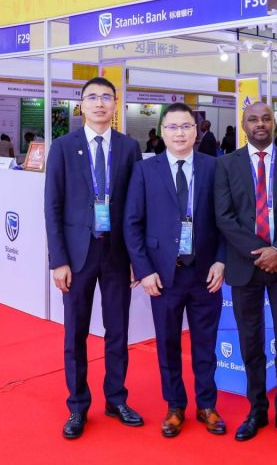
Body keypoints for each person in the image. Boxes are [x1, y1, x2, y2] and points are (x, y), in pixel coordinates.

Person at [44, 76, 144, 440]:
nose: (99, 103)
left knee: (118, 330)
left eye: (106, 97)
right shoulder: (63, 147)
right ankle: (77, 405)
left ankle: (116, 399)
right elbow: (52, 206)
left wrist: (137, 259)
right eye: (92, 97)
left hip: (117, 253)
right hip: (77, 255)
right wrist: (58, 260)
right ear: (81, 105)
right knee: (76, 333)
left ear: (116, 104)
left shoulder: (129, 147)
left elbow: (137, 207)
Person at [125, 103, 226, 438]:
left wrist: (222, 260)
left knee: (205, 344)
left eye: (186, 126)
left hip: (205, 272)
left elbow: (227, 221)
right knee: (167, 343)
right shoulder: (145, 170)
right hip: (163, 275)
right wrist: (144, 270)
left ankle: (207, 404)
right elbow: (132, 223)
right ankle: (174, 406)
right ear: (162, 132)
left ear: (196, 131)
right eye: (172, 127)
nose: (179, 133)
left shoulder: (214, 167)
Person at [214, 101, 277, 445]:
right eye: (253, 119)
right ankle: (256, 409)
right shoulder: (226, 164)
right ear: (243, 125)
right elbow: (224, 217)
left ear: (275, 124)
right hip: (246, 266)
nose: (260, 124)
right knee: (250, 340)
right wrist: (261, 253)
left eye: (266, 118)